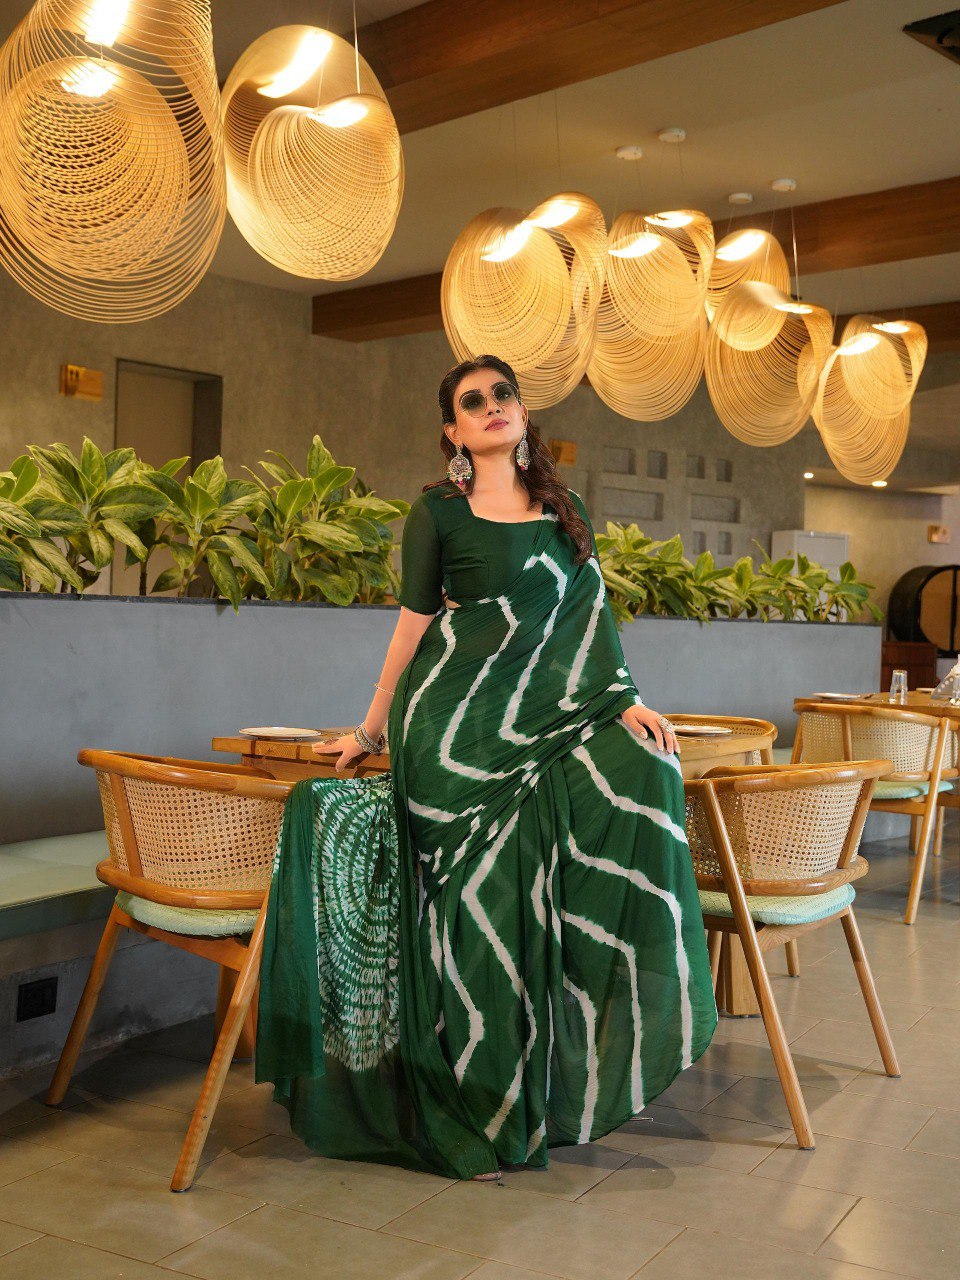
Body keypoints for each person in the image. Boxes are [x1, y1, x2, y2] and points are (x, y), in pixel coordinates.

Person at [255, 355, 716, 1182]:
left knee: (651, 774)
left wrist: (624, 698)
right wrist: (370, 726)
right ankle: (480, 1091)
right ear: (454, 432)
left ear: (522, 411)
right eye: (475, 402)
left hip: (550, 719)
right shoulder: (438, 513)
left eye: (504, 394)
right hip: (454, 728)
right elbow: (412, 626)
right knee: (489, 901)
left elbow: (591, 621)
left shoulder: (563, 510)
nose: (493, 407)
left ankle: (575, 1058)